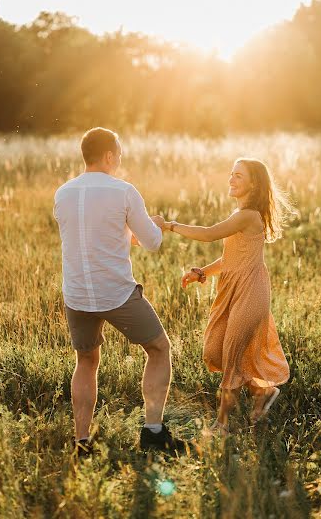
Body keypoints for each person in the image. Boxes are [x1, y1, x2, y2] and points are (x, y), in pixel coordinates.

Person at [53, 127, 185, 455]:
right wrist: (149, 224)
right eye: (120, 153)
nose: (121, 159)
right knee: (159, 348)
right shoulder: (124, 192)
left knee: (86, 360)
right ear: (109, 156)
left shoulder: (63, 193)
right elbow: (153, 242)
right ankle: (153, 433)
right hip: (115, 293)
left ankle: (82, 442)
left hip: (78, 294)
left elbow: (95, 237)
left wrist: (127, 229)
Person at [162, 158, 292, 434]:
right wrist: (204, 272)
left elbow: (209, 234)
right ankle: (262, 391)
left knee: (232, 356)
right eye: (231, 175)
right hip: (233, 289)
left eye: (239, 177)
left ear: (253, 184)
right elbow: (230, 257)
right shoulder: (241, 214)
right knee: (215, 350)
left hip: (251, 292)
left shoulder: (249, 215)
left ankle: (222, 424)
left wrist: (170, 225)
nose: (231, 180)